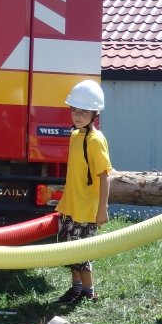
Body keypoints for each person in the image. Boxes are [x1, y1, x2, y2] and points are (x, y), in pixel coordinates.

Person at [54, 80, 113, 305]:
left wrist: (102, 209)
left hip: (87, 209)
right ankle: (76, 289)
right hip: (71, 205)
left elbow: (105, 176)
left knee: (82, 254)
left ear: (94, 114)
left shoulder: (96, 140)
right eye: (74, 110)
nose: (77, 116)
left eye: (84, 112)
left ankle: (89, 293)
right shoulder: (75, 135)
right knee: (70, 251)